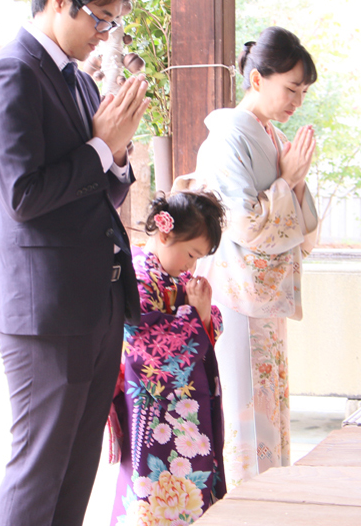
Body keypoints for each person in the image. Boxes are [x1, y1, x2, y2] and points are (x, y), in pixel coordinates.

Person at [0, 0, 149, 526]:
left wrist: (116, 155)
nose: (106, 33)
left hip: (95, 301)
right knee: (41, 464)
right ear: (59, 0)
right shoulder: (10, 75)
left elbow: (107, 190)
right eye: (100, 17)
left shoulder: (78, 81)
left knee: (80, 459)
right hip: (45, 311)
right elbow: (21, 196)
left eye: (113, 21)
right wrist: (100, 147)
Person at [175, 26, 319, 489]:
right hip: (235, 291)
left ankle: (269, 501)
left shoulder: (271, 137)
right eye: (290, 88)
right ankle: (244, 505)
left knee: (266, 402)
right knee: (241, 402)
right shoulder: (228, 137)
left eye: (303, 91)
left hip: (263, 293)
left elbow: (304, 228)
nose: (297, 100)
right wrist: (288, 182)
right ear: (257, 79)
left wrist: (291, 181)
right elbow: (244, 224)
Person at [109, 191, 229, 526]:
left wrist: (202, 315)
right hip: (151, 415)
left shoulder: (179, 279)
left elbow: (212, 320)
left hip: (186, 413)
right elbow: (143, 347)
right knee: (149, 494)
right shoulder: (136, 277)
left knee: (195, 485)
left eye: (197, 259)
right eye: (190, 254)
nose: (191, 265)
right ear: (164, 234)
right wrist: (194, 316)